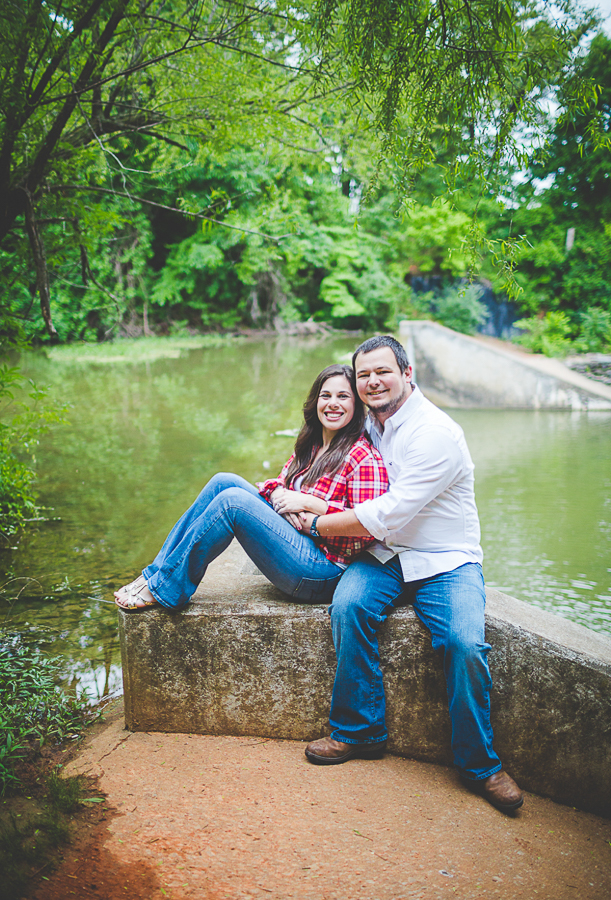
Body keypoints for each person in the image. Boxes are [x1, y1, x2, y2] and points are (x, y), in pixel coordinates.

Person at [280, 335, 519, 814]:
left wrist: (316, 521)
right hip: (385, 555)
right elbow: (326, 457)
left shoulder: (434, 433)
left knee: (463, 643)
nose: (371, 382)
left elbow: (388, 511)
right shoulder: (371, 421)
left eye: (382, 372)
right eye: (363, 374)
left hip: (444, 561)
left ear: (408, 373)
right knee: (348, 607)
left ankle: (480, 765)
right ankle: (358, 732)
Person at [113, 364, 388, 611]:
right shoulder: (314, 444)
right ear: (316, 400)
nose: (333, 404)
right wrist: (281, 495)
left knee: (232, 502)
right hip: (297, 543)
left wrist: (311, 511)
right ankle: (156, 573)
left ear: (356, 406)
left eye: (343, 397)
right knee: (224, 480)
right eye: (326, 395)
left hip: (322, 571)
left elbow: (365, 531)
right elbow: (280, 484)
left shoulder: (362, 457)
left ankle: (166, 588)